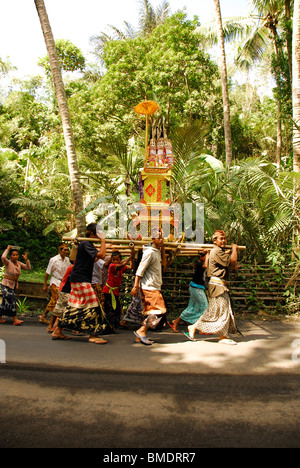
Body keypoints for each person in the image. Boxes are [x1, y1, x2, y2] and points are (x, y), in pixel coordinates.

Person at [51, 223, 108, 344]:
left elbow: (96, 258)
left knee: (73, 306)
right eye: (99, 234)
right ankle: (93, 334)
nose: (99, 236)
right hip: (80, 279)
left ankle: (57, 330)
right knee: (93, 304)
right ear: (92, 234)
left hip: (79, 279)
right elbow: (102, 255)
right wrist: (103, 240)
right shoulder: (86, 244)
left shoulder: (88, 245)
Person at [184, 230, 241, 345]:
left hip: (219, 285)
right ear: (215, 240)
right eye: (221, 238)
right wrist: (234, 249)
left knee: (214, 311)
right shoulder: (216, 251)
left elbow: (229, 264)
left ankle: (194, 327)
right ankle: (223, 336)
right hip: (218, 286)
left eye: (225, 238)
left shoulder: (219, 251)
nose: (224, 241)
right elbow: (233, 261)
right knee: (223, 311)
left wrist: (231, 252)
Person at [130, 227, 167, 345]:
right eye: (159, 238)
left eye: (162, 237)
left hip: (154, 286)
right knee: (159, 311)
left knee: (155, 312)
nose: (161, 240)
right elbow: (140, 270)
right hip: (149, 287)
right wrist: (136, 286)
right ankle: (141, 331)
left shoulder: (156, 251)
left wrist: (163, 248)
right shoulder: (149, 252)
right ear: (153, 239)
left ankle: (140, 334)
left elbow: (164, 265)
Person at [167, 251, 209, 333]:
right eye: (205, 256)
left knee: (192, 307)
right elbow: (205, 265)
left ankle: (176, 321)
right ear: (200, 257)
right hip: (196, 288)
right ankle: (200, 328)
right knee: (205, 306)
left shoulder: (202, 263)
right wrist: (207, 254)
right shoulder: (199, 264)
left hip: (196, 287)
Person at [39, 243, 70, 331]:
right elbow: (47, 272)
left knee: (57, 300)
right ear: (60, 250)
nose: (66, 252)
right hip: (55, 281)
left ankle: (44, 315)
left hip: (63, 282)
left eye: (67, 250)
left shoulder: (67, 260)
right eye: (64, 250)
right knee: (56, 299)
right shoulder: (54, 260)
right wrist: (45, 284)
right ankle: (55, 321)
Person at [103, 250, 134, 331]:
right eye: (114, 260)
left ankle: (113, 325)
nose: (115, 261)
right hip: (108, 291)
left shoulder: (120, 267)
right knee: (110, 309)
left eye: (117, 260)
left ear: (120, 259)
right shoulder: (112, 266)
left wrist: (132, 259)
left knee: (116, 309)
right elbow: (123, 264)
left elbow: (130, 267)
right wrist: (131, 256)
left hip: (114, 291)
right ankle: (109, 326)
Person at [0, 246, 31, 325]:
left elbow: (28, 268)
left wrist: (26, 260)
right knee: (12, 300)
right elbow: (3, 257)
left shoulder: (19, 264)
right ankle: (15, 319)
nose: (15, 256)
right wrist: (7, 249)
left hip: (13, 285)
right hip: (6, 284)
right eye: (13, 255)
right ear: (10, 256)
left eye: (16, 255)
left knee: (5, 302)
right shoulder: (8, 262)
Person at [120, 249, 144, 328]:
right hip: (139, 280)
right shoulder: (142, 256)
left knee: (138, 300)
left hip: (141, 279)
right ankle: (125, 320)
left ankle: (141, 320)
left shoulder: (142, 256)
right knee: (137, 300)